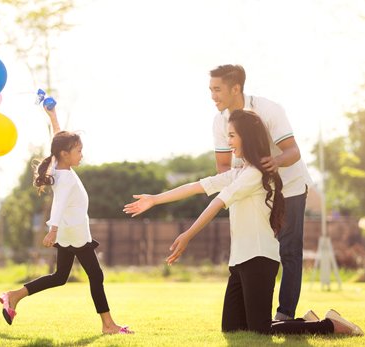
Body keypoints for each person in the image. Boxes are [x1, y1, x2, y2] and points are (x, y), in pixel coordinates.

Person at [124, 109, 363, 335]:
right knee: (232, 328)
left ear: (246, 137)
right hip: (239, 260)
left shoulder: (255, 174)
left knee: (260, 329)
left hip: (259, 258)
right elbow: (197, 186)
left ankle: (329, 325)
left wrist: (188, 235)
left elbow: (217, 203)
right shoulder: (240, 172)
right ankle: (305, 321)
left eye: (231, 135)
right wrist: (155, 199)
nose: (228, 141)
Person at [0, 105, 133, 335]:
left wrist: (52, 115)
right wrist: (52, 230)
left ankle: (13, 296)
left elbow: (57, 139)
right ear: (65, 154)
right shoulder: (66, 178)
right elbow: (58, 204)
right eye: (79, 150)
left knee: (60, 277)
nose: (82, 154)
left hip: (70, 233)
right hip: (74, 234)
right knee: (95, 275)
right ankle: (108, 325)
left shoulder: (57, 165)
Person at [209, 64, 311, 321]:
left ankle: (285, 314)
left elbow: (293, 151)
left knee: (288, 250)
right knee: (259, 247)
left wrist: (275, 163)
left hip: (289, 186)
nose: (213, 96)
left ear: (236, 88)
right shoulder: (220, 122)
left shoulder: (268, 110)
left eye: (217, 89)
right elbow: (223, 166)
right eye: (210, 90)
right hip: (255, 189)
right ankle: (252, 310)